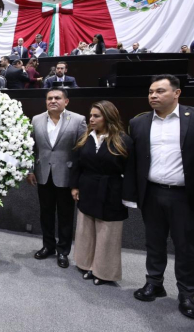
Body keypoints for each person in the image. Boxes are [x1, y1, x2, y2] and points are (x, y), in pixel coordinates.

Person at [129, 74, 194, 320]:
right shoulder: (139, 123)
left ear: (177, 93)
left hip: (186, 196)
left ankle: (187, 294)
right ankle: (154, 283)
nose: (153, 96)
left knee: (185, 246)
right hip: (152, 192)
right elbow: (135, 162)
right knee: (154, 242)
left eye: (159, 91)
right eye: (150, 92)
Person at [70, 101, 137, 285]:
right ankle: (85, 264)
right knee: (86, 229)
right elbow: (77, 164)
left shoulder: (123, 140)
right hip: (87, 187)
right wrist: (74, 187)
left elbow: (131, 170)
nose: (91, 119)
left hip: (111, 190)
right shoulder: (85, 138)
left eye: (96, 116)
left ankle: (103, 271)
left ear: (108, 117)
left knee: (108, 233)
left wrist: (128, 196)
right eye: (90, 115)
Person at [27, 88, 87, 268]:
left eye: (57, 98)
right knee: (45, 214)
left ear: (66, 101)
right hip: (42, 175)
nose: (53, 101)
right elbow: (31, 148)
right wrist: (30, 170)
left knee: (65, 216)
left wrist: (78, 180)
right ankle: (48, 246)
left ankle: (63, 251)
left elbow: (81, 151)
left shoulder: (78, 120)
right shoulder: (36, 119)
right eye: (49, 98)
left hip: (66, 176)